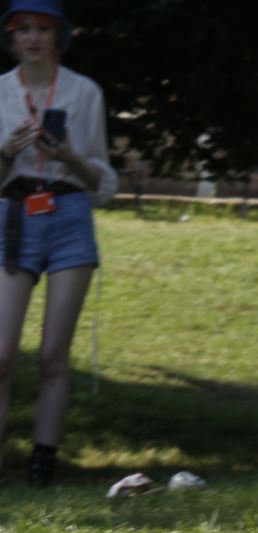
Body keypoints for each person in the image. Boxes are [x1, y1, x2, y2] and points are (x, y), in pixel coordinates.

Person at [0, 0, 112, 488]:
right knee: (1, 355)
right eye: (23, 29)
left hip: (68, 215)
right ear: (11, 38)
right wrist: (7, 152)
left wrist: (66, 154)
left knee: (53, 354)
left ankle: (42, 464)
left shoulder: (84, 92)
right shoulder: (0, 92)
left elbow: (101, 180)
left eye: (43, 29)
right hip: (13, 215)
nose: (33, 38)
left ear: (58, 37)